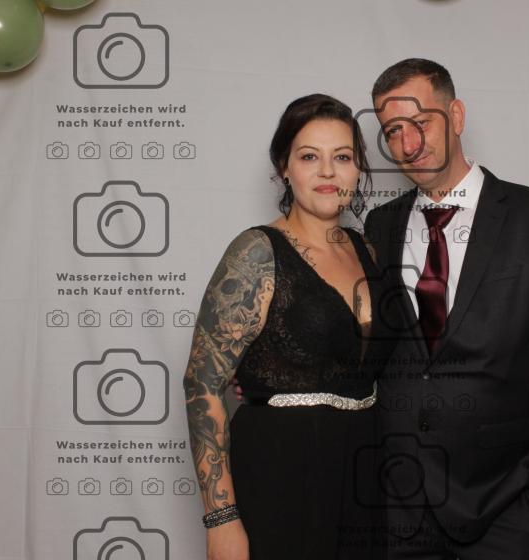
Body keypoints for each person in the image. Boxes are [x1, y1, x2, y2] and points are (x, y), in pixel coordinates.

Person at [235, 58, 529, 560]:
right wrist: (276, 373)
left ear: (457, 116)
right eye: (393, 131)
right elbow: (362, 340)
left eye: (421, 122)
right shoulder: (379, 227)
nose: (409, 144)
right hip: (396, 505)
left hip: (505, 503)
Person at [182, 93, 398, 560]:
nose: (327, 172)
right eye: (309, 157)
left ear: (359, 168)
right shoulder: (256, 252)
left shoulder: (369, 252)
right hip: (279, 472)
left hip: (363, 474)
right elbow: (202, 383)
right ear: (285, 167)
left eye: (342, 157)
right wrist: (221, 518)